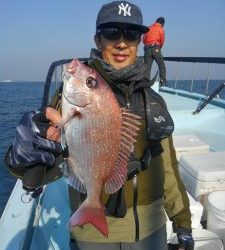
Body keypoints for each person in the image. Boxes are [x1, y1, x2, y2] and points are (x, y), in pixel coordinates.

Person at [5, 1, 194, 250]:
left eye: (131, 34)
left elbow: (168, 168)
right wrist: (25, 154)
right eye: (111, 33)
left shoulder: (153, 100)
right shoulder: (68, 98)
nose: (122, 42)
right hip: (93, 234)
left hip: (151, 228)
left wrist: (183, 225)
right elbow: (36, 171)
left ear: (140, 42)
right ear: (97, 39)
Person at [142, 17, 167, 86]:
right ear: (162, 23)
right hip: (156, 48)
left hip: (147, 49)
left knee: (147, 68)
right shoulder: (161, 29)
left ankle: (145, 84)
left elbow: (143, 40)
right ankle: (162, 81)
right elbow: (162, 41)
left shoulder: (148, 28)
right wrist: (158, 49)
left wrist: (148, 45)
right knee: (161, 65)